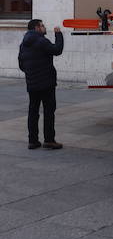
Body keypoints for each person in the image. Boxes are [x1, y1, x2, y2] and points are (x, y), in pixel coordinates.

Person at [18, 19, 64, 150]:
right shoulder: (41, 41)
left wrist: (31, 73)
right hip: (46, 83)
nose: (45, 27)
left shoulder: (24, 43)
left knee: (33, 111)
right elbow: (57, 50)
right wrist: (58, 34)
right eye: (43, 25)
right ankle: (49, 140)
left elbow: (21, 64)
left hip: (32, 83)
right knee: (49, 111)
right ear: (37, 28)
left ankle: (33, 141)